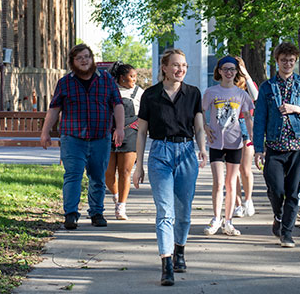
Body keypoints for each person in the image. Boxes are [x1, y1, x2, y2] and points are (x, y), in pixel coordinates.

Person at [132, 48, 208, 286]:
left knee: (183, 213)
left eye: (184, 65)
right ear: (164, 68)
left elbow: (198, 127)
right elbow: (142, 132)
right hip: (160, 154)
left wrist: (202, 149)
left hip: (186, 152)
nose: (181, 69)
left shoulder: (193, 93)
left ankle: (180, 251)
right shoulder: (150, 95)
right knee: (165, 212)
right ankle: (166, 264)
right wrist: (138, 165)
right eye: (176, 65)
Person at [40, 44, 125, 230]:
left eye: (87, 56)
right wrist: (45, 131)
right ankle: (70, 214)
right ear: (73, 62)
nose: (84, 60)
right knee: (72, 175)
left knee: (97, 177)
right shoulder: (65, 83)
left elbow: (117, 104)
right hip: (73, 138)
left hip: (100, 138)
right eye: (79, 58)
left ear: (92, 59)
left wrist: (119, 128)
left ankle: (96, 212)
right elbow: (54, 109)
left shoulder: (107, 80)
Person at [253, 42, 300, 248]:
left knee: (293, 191)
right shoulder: (267, 87)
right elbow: (259, 120)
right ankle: (278, 215)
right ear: (277, 61)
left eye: (291, 60)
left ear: (296, 61)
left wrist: (297, 109)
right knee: (276, 189)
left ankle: (287, 233)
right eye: (284, 60)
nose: (288, 63)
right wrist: (258, 149)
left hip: (298, 147)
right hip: (274, 147)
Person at [202, 56, 254, 236]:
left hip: (235, 142)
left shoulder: (241, 94)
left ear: (236, 72)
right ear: (219, 71)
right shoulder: (211, 92)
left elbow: (247, 116)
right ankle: (216, 218)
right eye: (225, 69)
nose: (229, 72)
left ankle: (229, 221)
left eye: (232, 69)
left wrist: (252, 137)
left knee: (231, 184)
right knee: (218, 182)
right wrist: (205, 127)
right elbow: (202, 111)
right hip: (216, 142)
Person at [105, 61, 143, 220]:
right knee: (108, 173)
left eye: (135, 76)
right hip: (108, 134)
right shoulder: (109, 90)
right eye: (131, 77)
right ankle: (115, 194)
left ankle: (121, 206)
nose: (134, 79)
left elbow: (144, 115)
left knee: (125, 172)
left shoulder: (139, 93)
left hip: (130, 135)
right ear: (121, 78)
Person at [232, 56, 259, 218]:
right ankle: (237, 204)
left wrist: (246, 74)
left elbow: (256, 96)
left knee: (245, 169)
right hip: (229, 128)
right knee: (233, 170)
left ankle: (248, 200)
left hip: (246, 126)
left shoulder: (248, 86)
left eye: (236, 68)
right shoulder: (226, 85)